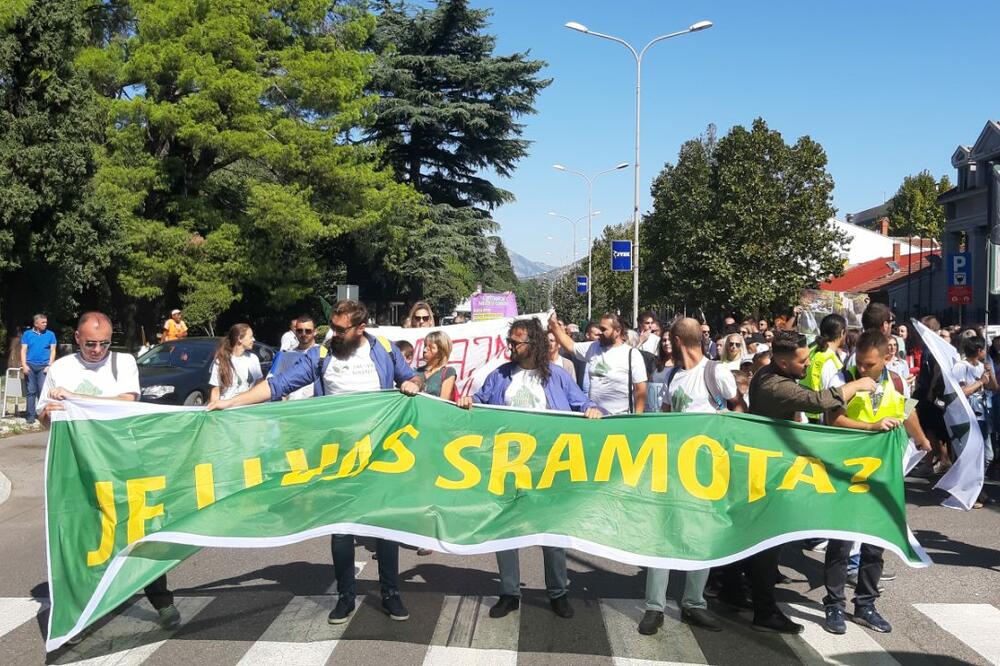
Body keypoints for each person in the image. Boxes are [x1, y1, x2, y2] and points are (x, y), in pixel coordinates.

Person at [207, 299, 422, 625]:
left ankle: (391, 593)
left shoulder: (384, 350)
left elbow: (415, 378)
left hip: (379, 453)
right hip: (336, 456)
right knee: (341, 529)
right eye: (331, 326)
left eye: (340, 329)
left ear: (360, 328)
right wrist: (232, 403)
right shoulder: (321, 355)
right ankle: (346, 597)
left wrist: (412, 383)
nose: (333, 334)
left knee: (384, 525)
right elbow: (278, 384)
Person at [38, 312, 181, 634]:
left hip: (122, 462)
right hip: (79, 468)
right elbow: (44, 418)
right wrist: (48, 412)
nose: (97, 350)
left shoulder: (123, 362)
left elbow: (127, 400)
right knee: (82, 536)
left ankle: (162, 600)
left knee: (139, 530)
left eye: (104, 344)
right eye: (90, 344)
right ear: (77, 338)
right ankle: (79, 613)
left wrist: (73, 397)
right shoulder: (61, 368)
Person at [726, 330, 877, 634]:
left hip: (770, 466)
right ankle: (764, 611)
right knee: (767, 543)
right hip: (767, 472)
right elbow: (817, 401)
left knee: (755, 539)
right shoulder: (774, 384)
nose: (808, 364)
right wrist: (857, 385)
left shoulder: (774, 373)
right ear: (783, 363)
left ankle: (730, 589)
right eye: (802, 360)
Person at [458, 318, 600, 620]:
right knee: (506, 530)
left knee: (551, 532)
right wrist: (469, 401)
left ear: (533, 343)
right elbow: (480, 401)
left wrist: (592, 410)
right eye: (509, 341)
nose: (510, 346)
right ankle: (509, 592)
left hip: (548, 466)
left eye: (516, 342)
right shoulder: (500, 375)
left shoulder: (557, 376)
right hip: (508, 466)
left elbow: (583, 403)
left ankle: (558, 592)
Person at [822, 330, 932, 635]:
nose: (862, 368)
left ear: (887, 358)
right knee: (841, 540)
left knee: (875, 542)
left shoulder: (896, 381)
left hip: (884, 472)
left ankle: (866, 605)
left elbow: (906, 411)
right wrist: (871, 427)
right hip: (847, 471)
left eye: (869, 364)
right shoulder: (844, 379)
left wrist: (921, 438)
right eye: (860, 361)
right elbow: (833, 419)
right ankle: (834, 604)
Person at [639, 318, 743, 636]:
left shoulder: (715, 372)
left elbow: (740, 409)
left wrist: (726, 421)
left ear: (677, 341)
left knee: (700, 535)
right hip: (673, 470)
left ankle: (694, 603)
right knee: (662, 534)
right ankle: (654, 607)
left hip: (706, 471)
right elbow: (666, 417)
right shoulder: (673, 375)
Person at [549, 312, 647, 415]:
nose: (600, 332)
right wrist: (554, 324)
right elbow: (570, 346)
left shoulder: (632, 354)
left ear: (617, 331)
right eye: (600, 328)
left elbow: (641, 390)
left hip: (619, 418)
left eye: (604, 329)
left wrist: (636, 418)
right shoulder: (594, 347)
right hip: (594, 415)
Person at [954, 336, 997, 506]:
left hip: (983, 414)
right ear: (979, 351)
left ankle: (977, 488)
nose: (985, 352)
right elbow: (961, 392)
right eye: (983, 349)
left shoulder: (981, 366)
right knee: (973, 455)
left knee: (988, 455)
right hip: (969, 415)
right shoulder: (961, 367)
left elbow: (993, 387)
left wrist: (989, 374)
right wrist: (980, 382)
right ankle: (973, 491)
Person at [801, 314, 847, 423]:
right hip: (819, 420)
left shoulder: (812, 350)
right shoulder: (828, 360)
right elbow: (832, 396)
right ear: (842, 332)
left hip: (805, 414)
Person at [268, 315, 325, 400]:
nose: (303, 334)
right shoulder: (287, 355)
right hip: (292, 404)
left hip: (314, 403)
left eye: (308, 331)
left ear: (315, 332)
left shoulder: (323, 352)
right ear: (295, 332)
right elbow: (276, 383)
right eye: (300, 331)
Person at [209, 324, 263, 402]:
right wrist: (214, 408)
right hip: (228, 408)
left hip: (250, 407)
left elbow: (259, 385)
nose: (253, 339)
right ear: (240, 339)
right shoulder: (221, 361)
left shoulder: (253, 358)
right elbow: (215, 391)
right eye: (251, 337)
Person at [20, 313, 57, 424]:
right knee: (31, 391)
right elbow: (23, 350)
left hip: (43, 367)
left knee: (43, 390)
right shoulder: (27, 334)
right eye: (43, 322)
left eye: (46, 322)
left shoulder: (50, 334)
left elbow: (53, 350)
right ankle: (30, 416)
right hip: (30, 365)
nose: (45, 324)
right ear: (36, 324)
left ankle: (44, 415)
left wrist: (49, 365)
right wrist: (24, 365)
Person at [418, 331, 457, 400]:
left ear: (441, 352)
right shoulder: (415, 371)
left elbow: (443, 401)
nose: (424, 350)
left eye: (431, 347)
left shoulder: (448, 372)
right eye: (425, 346)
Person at [645, 333, 675, 413]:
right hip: (652, 411)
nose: (667, 343)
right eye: (664, 340)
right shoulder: (653, 361)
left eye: (670, 340)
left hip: (670, 412)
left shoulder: (681, 365)